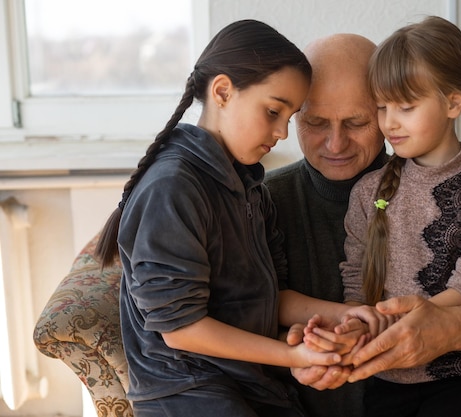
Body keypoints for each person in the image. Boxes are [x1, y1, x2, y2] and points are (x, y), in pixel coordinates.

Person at [264, 32, 461, 417]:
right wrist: (292, 346)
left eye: (357, 121)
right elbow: (234, 308)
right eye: (316, 122)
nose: (335, 144)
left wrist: (445, 326)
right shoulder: (266, 199)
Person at [95, 19, 387, 417]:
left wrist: (345, 314)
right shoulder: (173, 186)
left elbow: (268, 299)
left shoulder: (249, 186)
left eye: (290, 116)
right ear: (222, 92)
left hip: (249, 383)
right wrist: (292, 355)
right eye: (273, 111)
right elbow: (181, 329)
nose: (283, 132)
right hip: (188, 391)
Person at [337, 16, 461, 417]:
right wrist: (354, 325)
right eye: (382, 106)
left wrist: (417, 326)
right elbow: (356, 281)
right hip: (389, 377)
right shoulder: (367, 193)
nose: (389, 122)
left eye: (406, 106)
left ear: (453, 102)